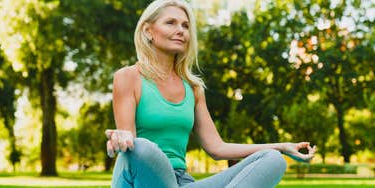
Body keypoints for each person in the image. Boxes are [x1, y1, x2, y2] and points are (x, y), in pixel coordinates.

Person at [105, 0, 317, 187]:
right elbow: (129, 144)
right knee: (141, 147)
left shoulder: (193, 88)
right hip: (140, 179)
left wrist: (283, 147)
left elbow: (217, 148)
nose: (181, 30)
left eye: (185, 26)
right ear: (148, 31)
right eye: (171, 23)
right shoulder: (129, 77)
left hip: (182, 182)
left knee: (273, 159)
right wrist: (121, 138)